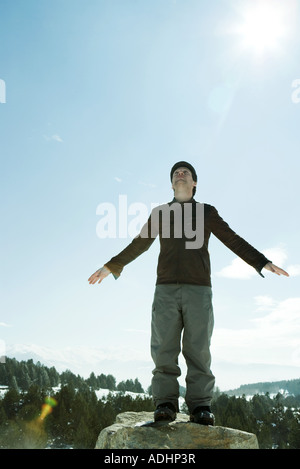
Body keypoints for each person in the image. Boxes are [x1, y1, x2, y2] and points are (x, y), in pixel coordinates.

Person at [88, 161, 289, 426]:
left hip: (199, 291)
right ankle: (165, 404)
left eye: (186, 173)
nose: (180, 175)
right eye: (176, 173)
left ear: (194, 183)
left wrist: (260, 261)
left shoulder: (206, 212)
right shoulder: (160, 213)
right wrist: (112, 265)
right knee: (163, 350)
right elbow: (140, 244)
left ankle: (200, 406)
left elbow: (232, 239)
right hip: (166, 290)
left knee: (198, 349)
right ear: (172, 184)